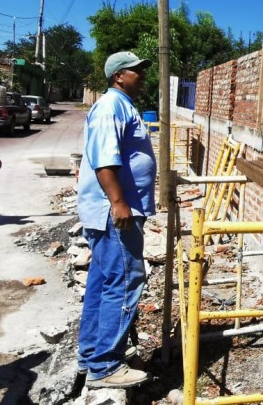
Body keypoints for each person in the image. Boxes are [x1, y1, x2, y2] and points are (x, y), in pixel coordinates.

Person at [76, 51, 155, 388]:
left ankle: (91, 354)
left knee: (102, 281)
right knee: (125, 279)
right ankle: (106, 366)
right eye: (137, 71)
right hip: (114, 214)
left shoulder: (120, 105)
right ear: (119, 75)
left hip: (111, 211)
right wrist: (119, 203)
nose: (142, 76)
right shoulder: (111, 106)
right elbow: (105, 160)